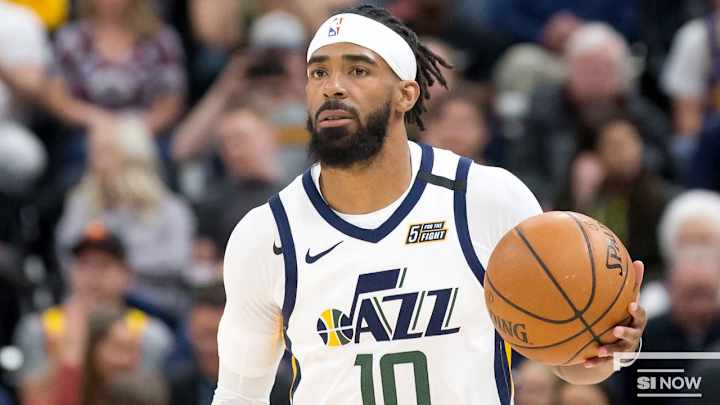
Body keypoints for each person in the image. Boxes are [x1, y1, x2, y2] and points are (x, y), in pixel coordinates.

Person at [212, 5, 647, 404]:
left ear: (406, 94)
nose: (333, 87)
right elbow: (239, 394)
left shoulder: (486, 198)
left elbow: (569, 359)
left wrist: (612, 346)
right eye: (319, 73)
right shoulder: (267, 234)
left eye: (358, 70)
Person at [14, 223, 174, 405]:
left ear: (126, 275)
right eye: (84, 264)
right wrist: (65, 352)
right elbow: (28, 397)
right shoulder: (41, 328)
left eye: (104, 265)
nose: (93, 275)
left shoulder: (148, 334)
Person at [514, 23, 671, 207]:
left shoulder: (638, 112)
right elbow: (524, 168)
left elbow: (667, 165)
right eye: (586, 69)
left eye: (604, 69)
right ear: (568, 70)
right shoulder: (544, 109)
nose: (595, 79)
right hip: (556, 206)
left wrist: (626, 167)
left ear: (621, 75)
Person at [55, 117, 194, 320]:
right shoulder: (80, 202)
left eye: (103, 151)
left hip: (153, 306)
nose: (93, 160)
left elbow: (177, 262)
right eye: (93, 151)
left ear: (131, 155)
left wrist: (117, 271)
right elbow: (66, 253)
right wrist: (99, 276)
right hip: (88, 306)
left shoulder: (172, 210)